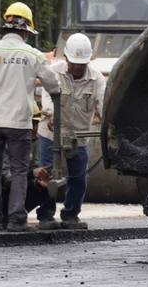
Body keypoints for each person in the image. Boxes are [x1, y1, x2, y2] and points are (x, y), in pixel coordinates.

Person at [0, 2, 61, 232]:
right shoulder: (32, 54)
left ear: (7, 26)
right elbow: (53, 84)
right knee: (19, 171)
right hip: (19, 123)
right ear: (25, 30)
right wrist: (58, 95)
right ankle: (16, 219)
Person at [37, 33, 105, 230]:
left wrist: (108, 120)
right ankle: (46, 215)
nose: (77, 66)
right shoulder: (54, 72)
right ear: (66, 58)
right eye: (74, 62)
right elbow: (48, 97)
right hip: (51, 133)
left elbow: (103, 102)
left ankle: (70, 215)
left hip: (78, 136)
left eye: (81, 63)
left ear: (88, 60)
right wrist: (50, 114)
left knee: (80, 176)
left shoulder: (96, 79)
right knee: (46, 174)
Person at [0, 103, 51, 226]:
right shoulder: (4, 142)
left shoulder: (34, 140)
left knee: (46, 187)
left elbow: (33, 165)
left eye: (37, 123)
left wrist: (39, 180)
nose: (35, 128)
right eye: (32, 123)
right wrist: (31, 174)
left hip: (15, 185)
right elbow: (5, 177)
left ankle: (13, 216)